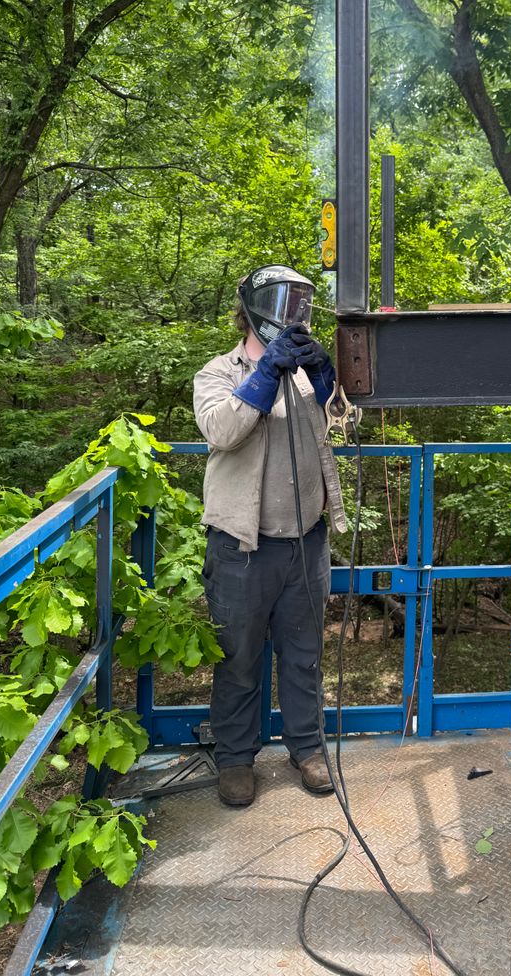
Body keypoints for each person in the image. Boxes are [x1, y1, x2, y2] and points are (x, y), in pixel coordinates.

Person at [193, 265, 346, 808]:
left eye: (301, 301)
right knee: (237, 658)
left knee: (304, 656)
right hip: (241, 546)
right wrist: (264, 376)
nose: (294, 312)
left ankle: (307, 750)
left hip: (306, 539)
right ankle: (236, 760)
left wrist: (325, 375)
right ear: (254, 308)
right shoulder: (218, 372)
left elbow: (342, 423)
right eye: (283, 301)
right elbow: (221, 431)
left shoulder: (305, 375)